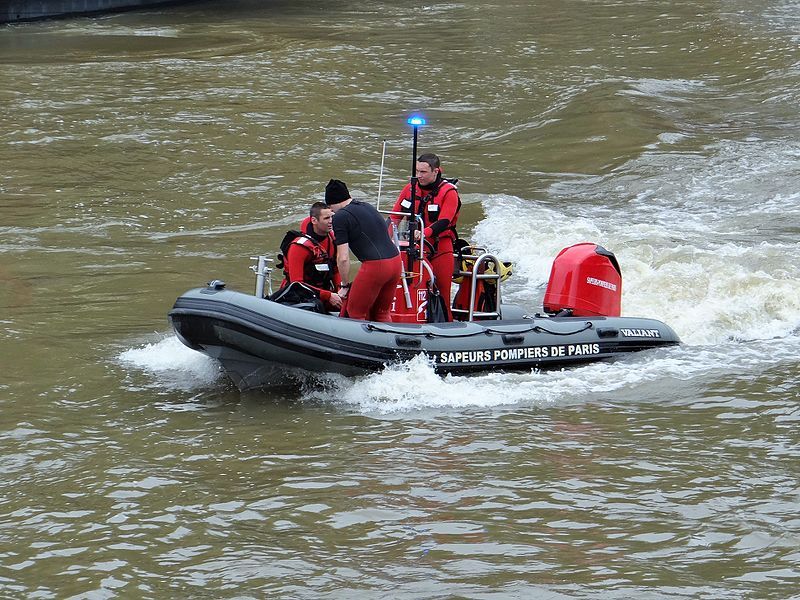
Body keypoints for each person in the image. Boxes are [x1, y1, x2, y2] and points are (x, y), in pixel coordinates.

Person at [391, 153, 461, 318]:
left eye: (423, 172)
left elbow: (444, 220)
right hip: (412, 250)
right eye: (417, 171)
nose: (419, 176)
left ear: (436, 171)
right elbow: (394, 216)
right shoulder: (410, 189)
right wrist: (385, 236)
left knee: (442, 292)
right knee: (404, 289)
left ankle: (446, 326)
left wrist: (424, 233)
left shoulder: (449, 192)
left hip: (439, 249)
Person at [325, 179, 402, 322]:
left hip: (376, 266)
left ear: (331, 203)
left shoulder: (341, 216)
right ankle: (388, 343)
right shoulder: (367, 206)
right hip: (396, 262)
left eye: (330, 208)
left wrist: (345, 285)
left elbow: (343, 258)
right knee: (382, 312)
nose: (331, 212)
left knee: (355, 313)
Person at [281, 201, 343, 310]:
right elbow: (297, 284)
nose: (331, 222)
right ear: (314, 220)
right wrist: (328, 296)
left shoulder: (332, 240)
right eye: (326, 218)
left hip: (324, 292)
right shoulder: (299, 247)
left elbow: (335, 270)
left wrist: (340, 292)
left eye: (332, 217)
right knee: (316, 306)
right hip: (300, 295)